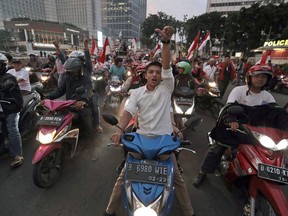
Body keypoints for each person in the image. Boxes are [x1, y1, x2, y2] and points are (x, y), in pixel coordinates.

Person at [103, 26, 195, 216]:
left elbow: (167, 64)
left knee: (176, 178)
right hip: (141, 143)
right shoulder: (136, 93)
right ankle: (108, 212)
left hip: (163, 144)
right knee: (123, 177)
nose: (154, 75)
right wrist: (120, 130)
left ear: (162, 76)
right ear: (145, 75)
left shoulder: (167, 87)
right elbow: (128, 112)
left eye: (158, 72)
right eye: (151, 72)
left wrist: (166, 43)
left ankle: (190, 213)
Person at [193, 64, 288, 187]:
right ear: (250, 77)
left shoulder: (267, 96)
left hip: (255, 133)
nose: (260, 79)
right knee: (217, 148)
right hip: (235, 129)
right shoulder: (238, 91)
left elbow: (277, 113)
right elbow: (229, 107)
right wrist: (232, 119)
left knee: (272, 152)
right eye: (257, 76)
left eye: (264, 77)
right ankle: (203, 172)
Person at [53, 38, 103, 133]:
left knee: (95, 107)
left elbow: (88, 89)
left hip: (89, 95)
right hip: (72, 100)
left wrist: (86, 46)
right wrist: (57, 47)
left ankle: (96, 125)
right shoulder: (69, 73)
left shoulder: (86, 71)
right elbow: (63, 59)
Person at [0, 53, 24, 167]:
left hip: (11, 107)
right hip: (1, 108)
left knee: (12, 128)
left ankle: (18, 155)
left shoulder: (9, 77)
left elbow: (6, 86)